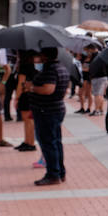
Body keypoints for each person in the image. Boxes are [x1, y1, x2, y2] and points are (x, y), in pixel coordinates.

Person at [28, 48, 69, 186]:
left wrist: (32, 88)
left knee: (48, 143)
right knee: (55, 142)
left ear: (44, 56)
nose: (36, 59)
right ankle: (59, 172)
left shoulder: (51, 70)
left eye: (38, 56)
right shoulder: (61, 67)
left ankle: (53, 174)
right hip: (53, 109)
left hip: (47, 111)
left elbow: (48, 89)